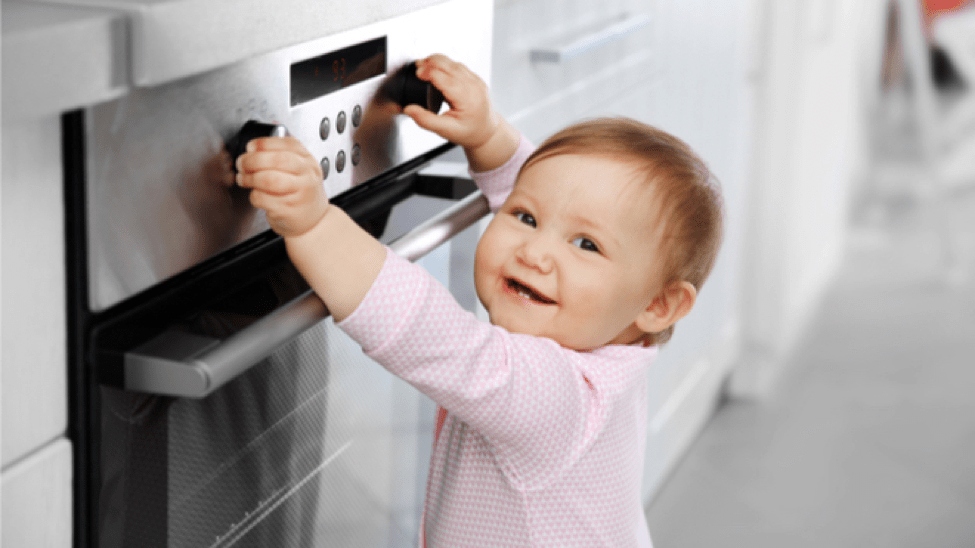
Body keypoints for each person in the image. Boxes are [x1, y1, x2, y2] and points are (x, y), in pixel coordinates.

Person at [236, 54, 723, 547]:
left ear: (660, 305)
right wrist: (489, 137)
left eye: (586, 246)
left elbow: (432, 333)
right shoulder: (616, 343)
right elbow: (545, 192)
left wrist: (317, 225)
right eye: (526, 220)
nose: (534, 252)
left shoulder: (559, 400)